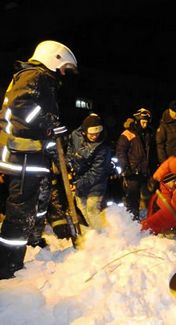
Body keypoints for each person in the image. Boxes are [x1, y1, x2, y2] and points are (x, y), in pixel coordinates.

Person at [0, 40, 78, 279]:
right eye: (64, 68)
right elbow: (21, 107)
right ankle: (7, 266)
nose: (64, 74)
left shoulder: (38, 78)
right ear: (53, 59)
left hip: (29, 158)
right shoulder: (35, 75)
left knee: (26, 212)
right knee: (19, 214)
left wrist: (54, 143)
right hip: (22, 157)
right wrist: (47, 126)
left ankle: (14, 258)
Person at [66, 113, 111, 231]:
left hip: (97, 181)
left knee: (92, 208)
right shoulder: (75, 135)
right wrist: (69, 167)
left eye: (97, 133)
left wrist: (77, 184)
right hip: (78, 177)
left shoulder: (103, 147)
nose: (95, 136)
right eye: (92, 134)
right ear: (85, 131)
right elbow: (70, 151)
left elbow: (96, 172)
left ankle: (102, 235)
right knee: (81, 206)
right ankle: (94, 231)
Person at [116, 108, 154, 220]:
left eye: (147, 122)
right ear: (137, 120)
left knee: (147, 196)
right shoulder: (127, 133)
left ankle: (147, 218)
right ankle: (132, 220)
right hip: (132, 171)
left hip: (144, 170)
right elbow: (120, 152)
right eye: (143, 122)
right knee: (132, 197)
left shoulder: (149, 133)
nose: (145, 124)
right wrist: (125, 168)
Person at [155, 100, 176, 164]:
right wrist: (164, 162)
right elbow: (160, 146)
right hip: (169, 161)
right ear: (170, 110)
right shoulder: (164, 125)